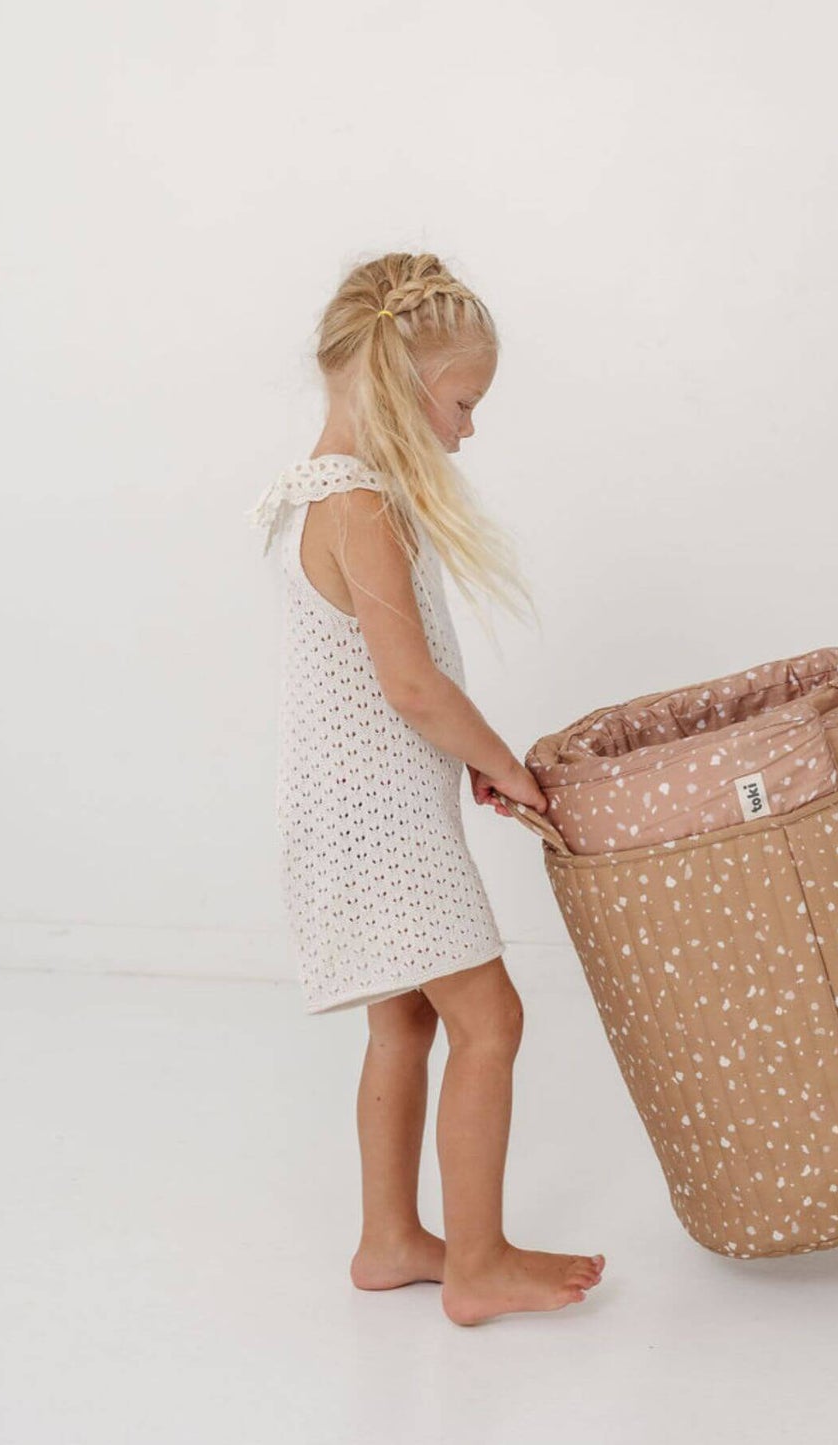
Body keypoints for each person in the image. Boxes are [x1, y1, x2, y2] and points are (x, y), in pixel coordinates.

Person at [250, 252, 605, 1324]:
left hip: (352, 807)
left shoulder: (301, 494)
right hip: (380, 822)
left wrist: (465, 761)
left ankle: (391, 1238)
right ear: (405, 384)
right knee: (488, 1017)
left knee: (404, 1022)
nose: (466, 430)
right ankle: (478, 1260)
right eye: (461, 402)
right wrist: (502, 761)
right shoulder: (358, 505)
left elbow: (379, 688)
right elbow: (410, 684)